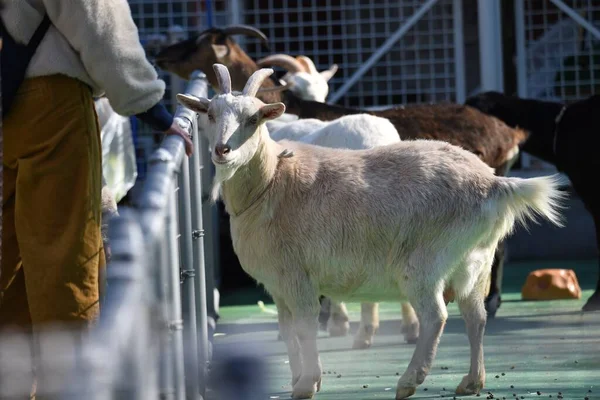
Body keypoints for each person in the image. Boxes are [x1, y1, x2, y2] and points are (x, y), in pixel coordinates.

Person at [0, 0, 193, 396]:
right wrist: (150, 106)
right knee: (64, 261)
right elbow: (96, 17)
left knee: (7, 263)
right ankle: (75, 389)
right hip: (48, 102)